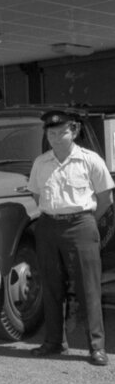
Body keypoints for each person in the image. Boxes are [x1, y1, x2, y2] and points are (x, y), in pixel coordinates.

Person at [28, 110, 114, 366]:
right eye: (50, 133)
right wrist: (55, 215)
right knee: (52, 287)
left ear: (74, 131)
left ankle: (96, 347)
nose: (55, 137)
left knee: (89, 288)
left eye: (61, 132)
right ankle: (54, 342)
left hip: (81, 226)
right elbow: (37, 196)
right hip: (48, 226)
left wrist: (84, 222)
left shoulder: (90, 160)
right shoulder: (40, 163)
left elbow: (105, 199)